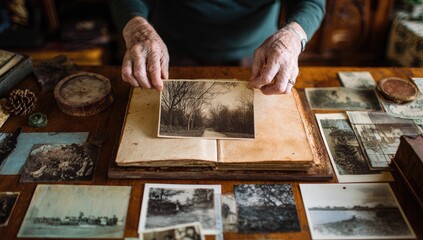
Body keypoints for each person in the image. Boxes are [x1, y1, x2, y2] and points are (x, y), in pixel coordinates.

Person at [111, 0, 325, 95]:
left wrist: (292, 37)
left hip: (260, 55)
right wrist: (138, 30)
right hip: (167, 52)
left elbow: (311, 2)